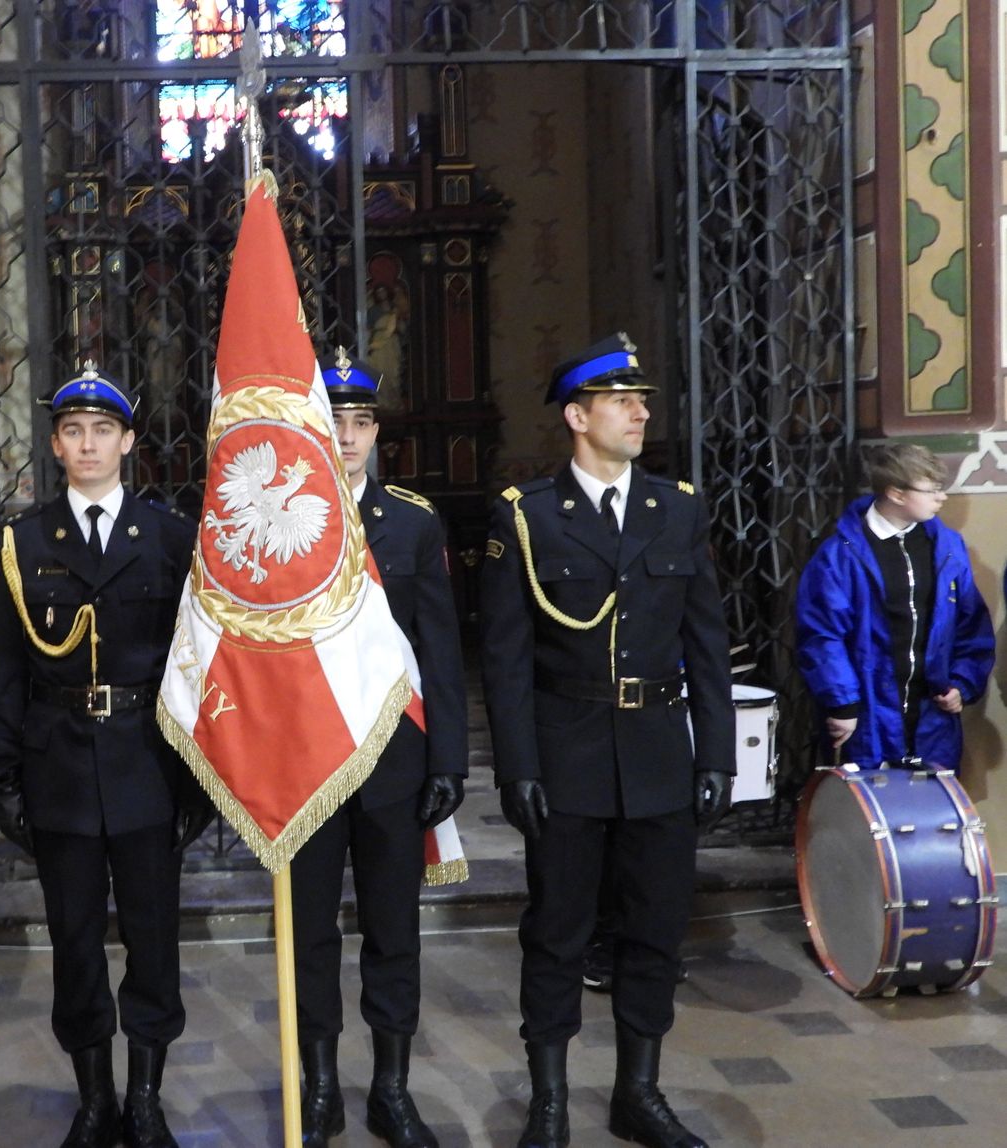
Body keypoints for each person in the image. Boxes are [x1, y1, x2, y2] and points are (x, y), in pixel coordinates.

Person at [478, 333, 734, 1148]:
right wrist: (517, 767)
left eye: (642, 401)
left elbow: (707, 645)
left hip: (658, 753)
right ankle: (549, 1101)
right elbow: (506, 659)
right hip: (569, 754)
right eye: (622, 402)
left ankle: (640, 1095)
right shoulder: (527, 515)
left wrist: (716, 753)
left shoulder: (677, 508)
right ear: (577, 417)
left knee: (655, 929)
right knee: (557, 932)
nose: (640, 414)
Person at [0, 363, 212, 1148]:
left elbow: (195, 663)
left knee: (153, 940)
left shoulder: (170, 537)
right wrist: (4, 775)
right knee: (75, 942)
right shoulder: (21, 542)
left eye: (103, 431)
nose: (88, 444)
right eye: (73, 431)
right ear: (55, 444)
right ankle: (94, 1100)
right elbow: (2, 670)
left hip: (149, 764)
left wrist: (197, 781)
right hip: (61, 769)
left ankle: (144, 1098)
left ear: (128, 442)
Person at [287, 350, 466, 1148]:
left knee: (394, 930)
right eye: (335, 421)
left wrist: (448, 760)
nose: (349, 436)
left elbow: (440, 648)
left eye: (361, 422)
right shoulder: (282, 519)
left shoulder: (413, 521)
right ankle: (321, 1085)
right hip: (309, 762)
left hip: (394, 758)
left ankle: (391, 1087)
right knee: (311, 931)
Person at [795, 442, 993, 769]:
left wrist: (962, 683)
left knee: (931, 799)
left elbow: (971, 624)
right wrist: (842, 703)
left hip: (932, 717)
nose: (942, 497)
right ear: (896, 494)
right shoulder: (840, 555)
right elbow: (822, 634)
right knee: (870, 798)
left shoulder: (947, 546)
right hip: (867, 714)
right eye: (931, 490)